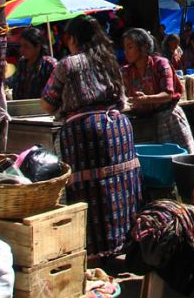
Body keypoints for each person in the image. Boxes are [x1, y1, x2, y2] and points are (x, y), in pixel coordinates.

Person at [40, 15, 142, 261]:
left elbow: (47, 104)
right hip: (118, 129)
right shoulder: (108, 61)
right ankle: (123, 243)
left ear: (72, 39)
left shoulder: (67, 64)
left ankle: (93, 251)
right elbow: (122, 99)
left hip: (86, 133)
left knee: (89, 189)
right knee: (118, 186)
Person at [122, 27, 194, 153]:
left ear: (144, 47)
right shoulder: (126, 71)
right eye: (125, 48)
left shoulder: (161, 64)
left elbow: (168, 94)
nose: (126, 52)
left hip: (169, 118)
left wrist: (145, 99)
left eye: (130, 47)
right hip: (147, 123)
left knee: (183, 159)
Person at [8, 27, 56, 99]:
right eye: (21, 46)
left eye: (26, 46)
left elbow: (54, 91)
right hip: (22, 107)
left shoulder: (49, 64)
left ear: (38, 46)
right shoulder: (22, 63)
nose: (22, 50)